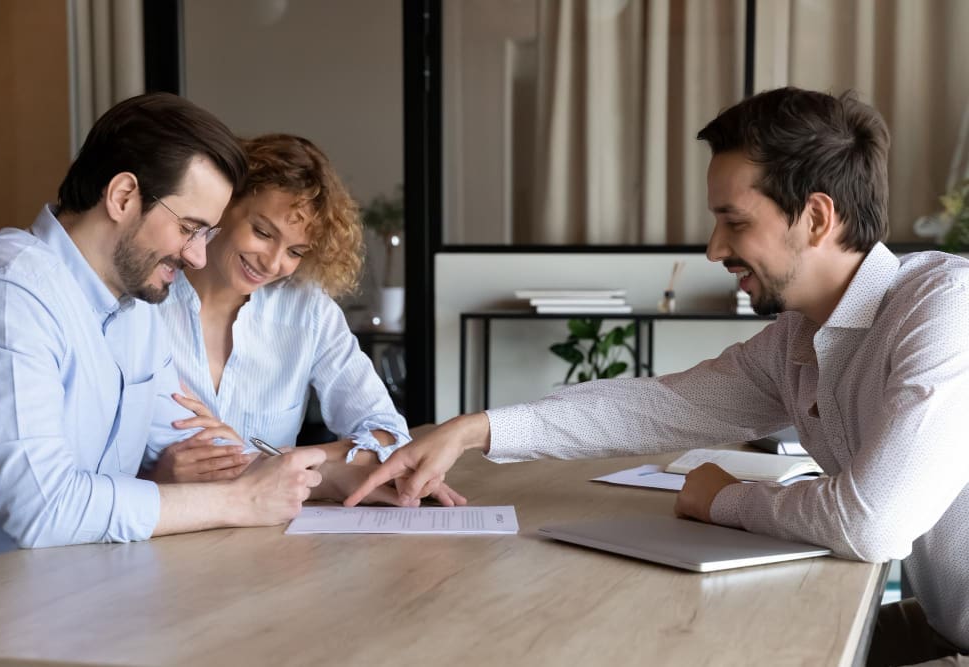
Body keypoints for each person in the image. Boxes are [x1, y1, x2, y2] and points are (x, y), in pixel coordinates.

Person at [346, 87, 969, 664]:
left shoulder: (946, 308)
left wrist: (723, 499)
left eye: (736, 221)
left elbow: (872, 522)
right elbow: (659, 405)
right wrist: (475, 428)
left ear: (815, 217)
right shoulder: (798, 338)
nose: (713, 249)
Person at [0, 93, 327, 561]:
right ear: (122, 197)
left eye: (207, 235)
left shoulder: (136, 312)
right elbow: (43, 506)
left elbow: (200, 447)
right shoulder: (7, 293)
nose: (198, 256)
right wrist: (241, 500)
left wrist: (349, 476)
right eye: (189, 228)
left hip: (94, 597)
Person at [145, 133, 464, 507]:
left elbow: (389, 436)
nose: (273, 262)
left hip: (270, 544)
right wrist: (155, 477)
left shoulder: (307, 310)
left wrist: (279, 462)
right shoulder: (145, 301)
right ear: (223, 203)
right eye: (262, 232)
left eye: (295, 251)